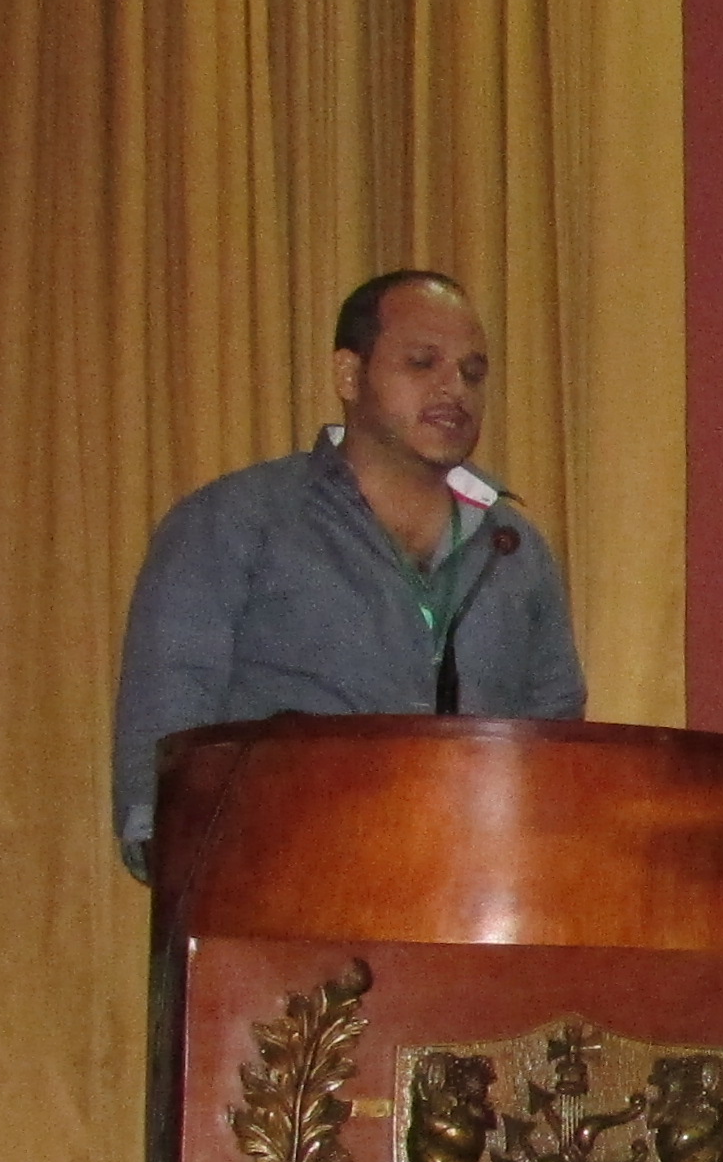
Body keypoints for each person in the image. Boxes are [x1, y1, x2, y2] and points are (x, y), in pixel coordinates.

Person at [110, 270, 590, 873]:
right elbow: (165, 739)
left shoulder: (512, 550)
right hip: (277, 893)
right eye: (422, 363)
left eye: (473, 373)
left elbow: (552, 752)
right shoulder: (235, 521)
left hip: (470, 900)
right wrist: (191, 867)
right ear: (348, 374)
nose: (454, 389)